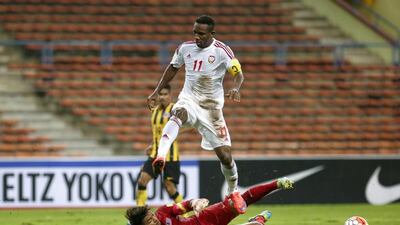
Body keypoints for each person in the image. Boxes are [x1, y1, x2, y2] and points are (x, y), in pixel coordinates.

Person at [147, 15, 246, 214]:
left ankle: (233, 192)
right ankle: (161, 155)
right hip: (189, 100)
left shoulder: (222, 50)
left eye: (201, 34)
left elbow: (238, 73)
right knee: (178, 113)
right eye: (195, 32)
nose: (197, 37)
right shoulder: (185, 48)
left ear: (212, 34)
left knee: (225, 157)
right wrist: (156, 91)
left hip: (211, 110)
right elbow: (173, 67)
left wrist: (236, 88)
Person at [125, 177, 294, 225]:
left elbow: (185, 205)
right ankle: (257, 221)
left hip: (204, 220)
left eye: (151, 216)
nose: (154, 219)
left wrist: (195, 203)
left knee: (237, 202)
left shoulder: (162, 213)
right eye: (149, 221)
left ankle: (276, 183)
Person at [136, 84, 183, 206]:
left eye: (165, 94)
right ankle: (139, 215)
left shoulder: (175, 110)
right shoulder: (155, 111)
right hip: (154, 154)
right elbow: (158, 132)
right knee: (142, 180)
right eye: (160, 94)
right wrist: (152, 144)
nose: (162, 97)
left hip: (171, 156)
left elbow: (190, 126)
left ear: (170, 95)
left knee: (169, 187)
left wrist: (173, 134)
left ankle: (185, 215)